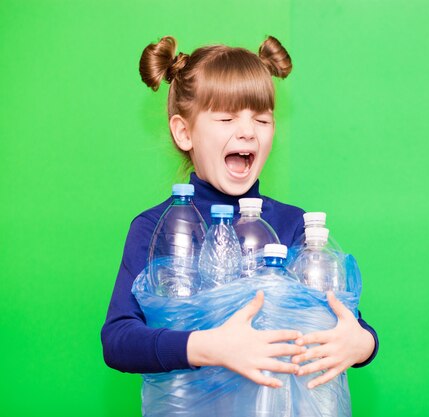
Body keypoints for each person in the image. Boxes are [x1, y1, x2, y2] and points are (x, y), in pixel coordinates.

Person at [101, 35, 379, 392]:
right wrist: (207, 347)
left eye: (262, 120)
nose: (248, 131)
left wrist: (363, 344)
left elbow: (346, 321)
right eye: (227, 118)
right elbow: (119, 338)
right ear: (184, 132)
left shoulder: (295, 225)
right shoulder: (157, 229)